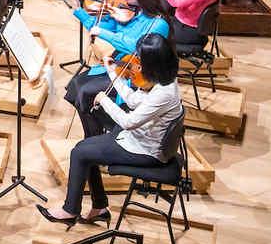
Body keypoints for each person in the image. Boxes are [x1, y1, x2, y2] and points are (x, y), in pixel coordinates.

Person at [40, 34, 183, 226]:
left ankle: (70, 210)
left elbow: (128, 122)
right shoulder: (165, 80)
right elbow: (132, 101)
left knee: (80, 152)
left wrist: (104, 99)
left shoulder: (164, 93)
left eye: (141, 61)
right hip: (140, 137)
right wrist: (111, 72)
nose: (137, 64)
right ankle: (99, 207)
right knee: (86, 147)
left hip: (146, 151)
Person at [63, 0, 170, 137]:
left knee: (85, 91)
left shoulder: (159, 23)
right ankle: (94, 132)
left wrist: (105, 34)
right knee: (75, 84)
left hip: (137, 75)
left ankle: (103, 134)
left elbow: (135, 46)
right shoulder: (132, 12)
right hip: (118, 64)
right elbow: (97, 27)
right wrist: (79, 9)